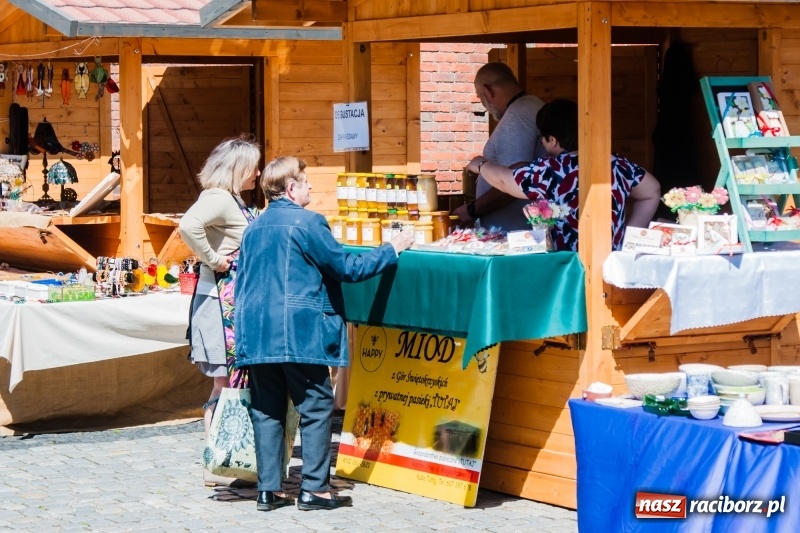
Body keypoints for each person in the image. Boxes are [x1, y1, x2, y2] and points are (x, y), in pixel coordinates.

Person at [234, 156, 415, 512]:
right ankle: (314, 490)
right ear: (290, 188)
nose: (311, 187)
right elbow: (347, 267)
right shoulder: (308, 222)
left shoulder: (254, 227)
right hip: (299, 332)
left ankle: (268, 491)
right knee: (317, 406)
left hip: (257, 332)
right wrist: (392, 248)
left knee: (268, 409)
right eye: (305, 181)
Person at [466, 99, 661, 250]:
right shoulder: (618, 164)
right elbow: (652, 190)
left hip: (568, 270)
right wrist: (628, 239)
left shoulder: (551, 169)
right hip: (612, 268)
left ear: (552, 139)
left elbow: (504, 180)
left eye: (542, 138)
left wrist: (480, 165)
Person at [178, 134, 261, 485]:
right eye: (253, 166)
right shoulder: (217, 198)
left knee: (229, 383)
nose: (257, 173)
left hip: (230, 303)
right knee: (224, 383)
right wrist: (214, 260)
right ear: (238, 168)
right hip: (217, 305)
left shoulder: (233, 199)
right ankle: (217, 463)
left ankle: (229, 458)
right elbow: (187, 225)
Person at [453, 62, 547, 231]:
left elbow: (514, 180)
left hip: (516, 234)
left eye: (480, 98)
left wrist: (472, 210)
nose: (484, 104)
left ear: (488, 92)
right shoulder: (529, 106)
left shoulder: (517, 117)